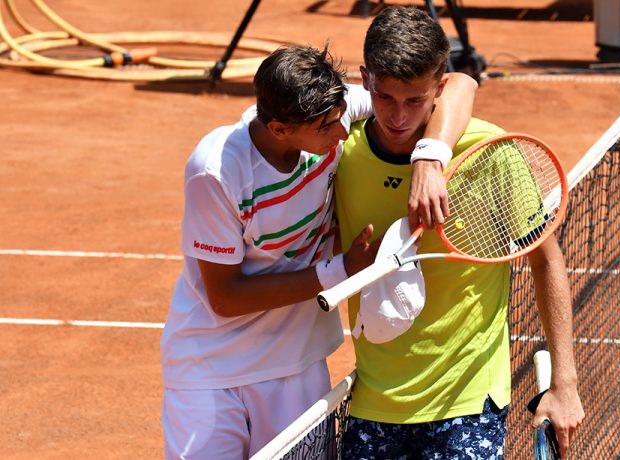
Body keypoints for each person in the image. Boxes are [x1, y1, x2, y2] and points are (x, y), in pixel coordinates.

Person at [159, 43, 477, 459]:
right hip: (210, 371)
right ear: (279, 130)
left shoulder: (329, 110)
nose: (344, 133)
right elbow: (224, 297)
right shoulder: (216, 171)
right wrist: (341, 270)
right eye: (328, 128)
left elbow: (459, 83)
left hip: (298, 366)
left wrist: (428, 158)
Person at [335, 6, 585, 459]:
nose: (398, 117)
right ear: (366, 79)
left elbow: (545, 259)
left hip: (467, 401)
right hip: (374, 403)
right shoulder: (343, 156)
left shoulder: (489, 151)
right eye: (386, 98)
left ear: (440, 85)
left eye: (415, 100)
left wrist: (565, 384)